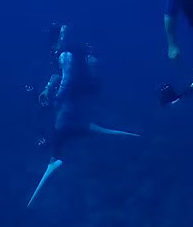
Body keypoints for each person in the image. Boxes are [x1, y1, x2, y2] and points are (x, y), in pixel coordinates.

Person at [26, 23, 138, 209]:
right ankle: (88, 128)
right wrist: (46, 90)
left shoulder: (65, 55)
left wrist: (58, 99)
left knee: (59, 126)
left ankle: (55, 159)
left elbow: (67, 78)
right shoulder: (62, 54)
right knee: (62, 123)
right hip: (78, 94)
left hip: (75, 94)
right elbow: (57, 75)